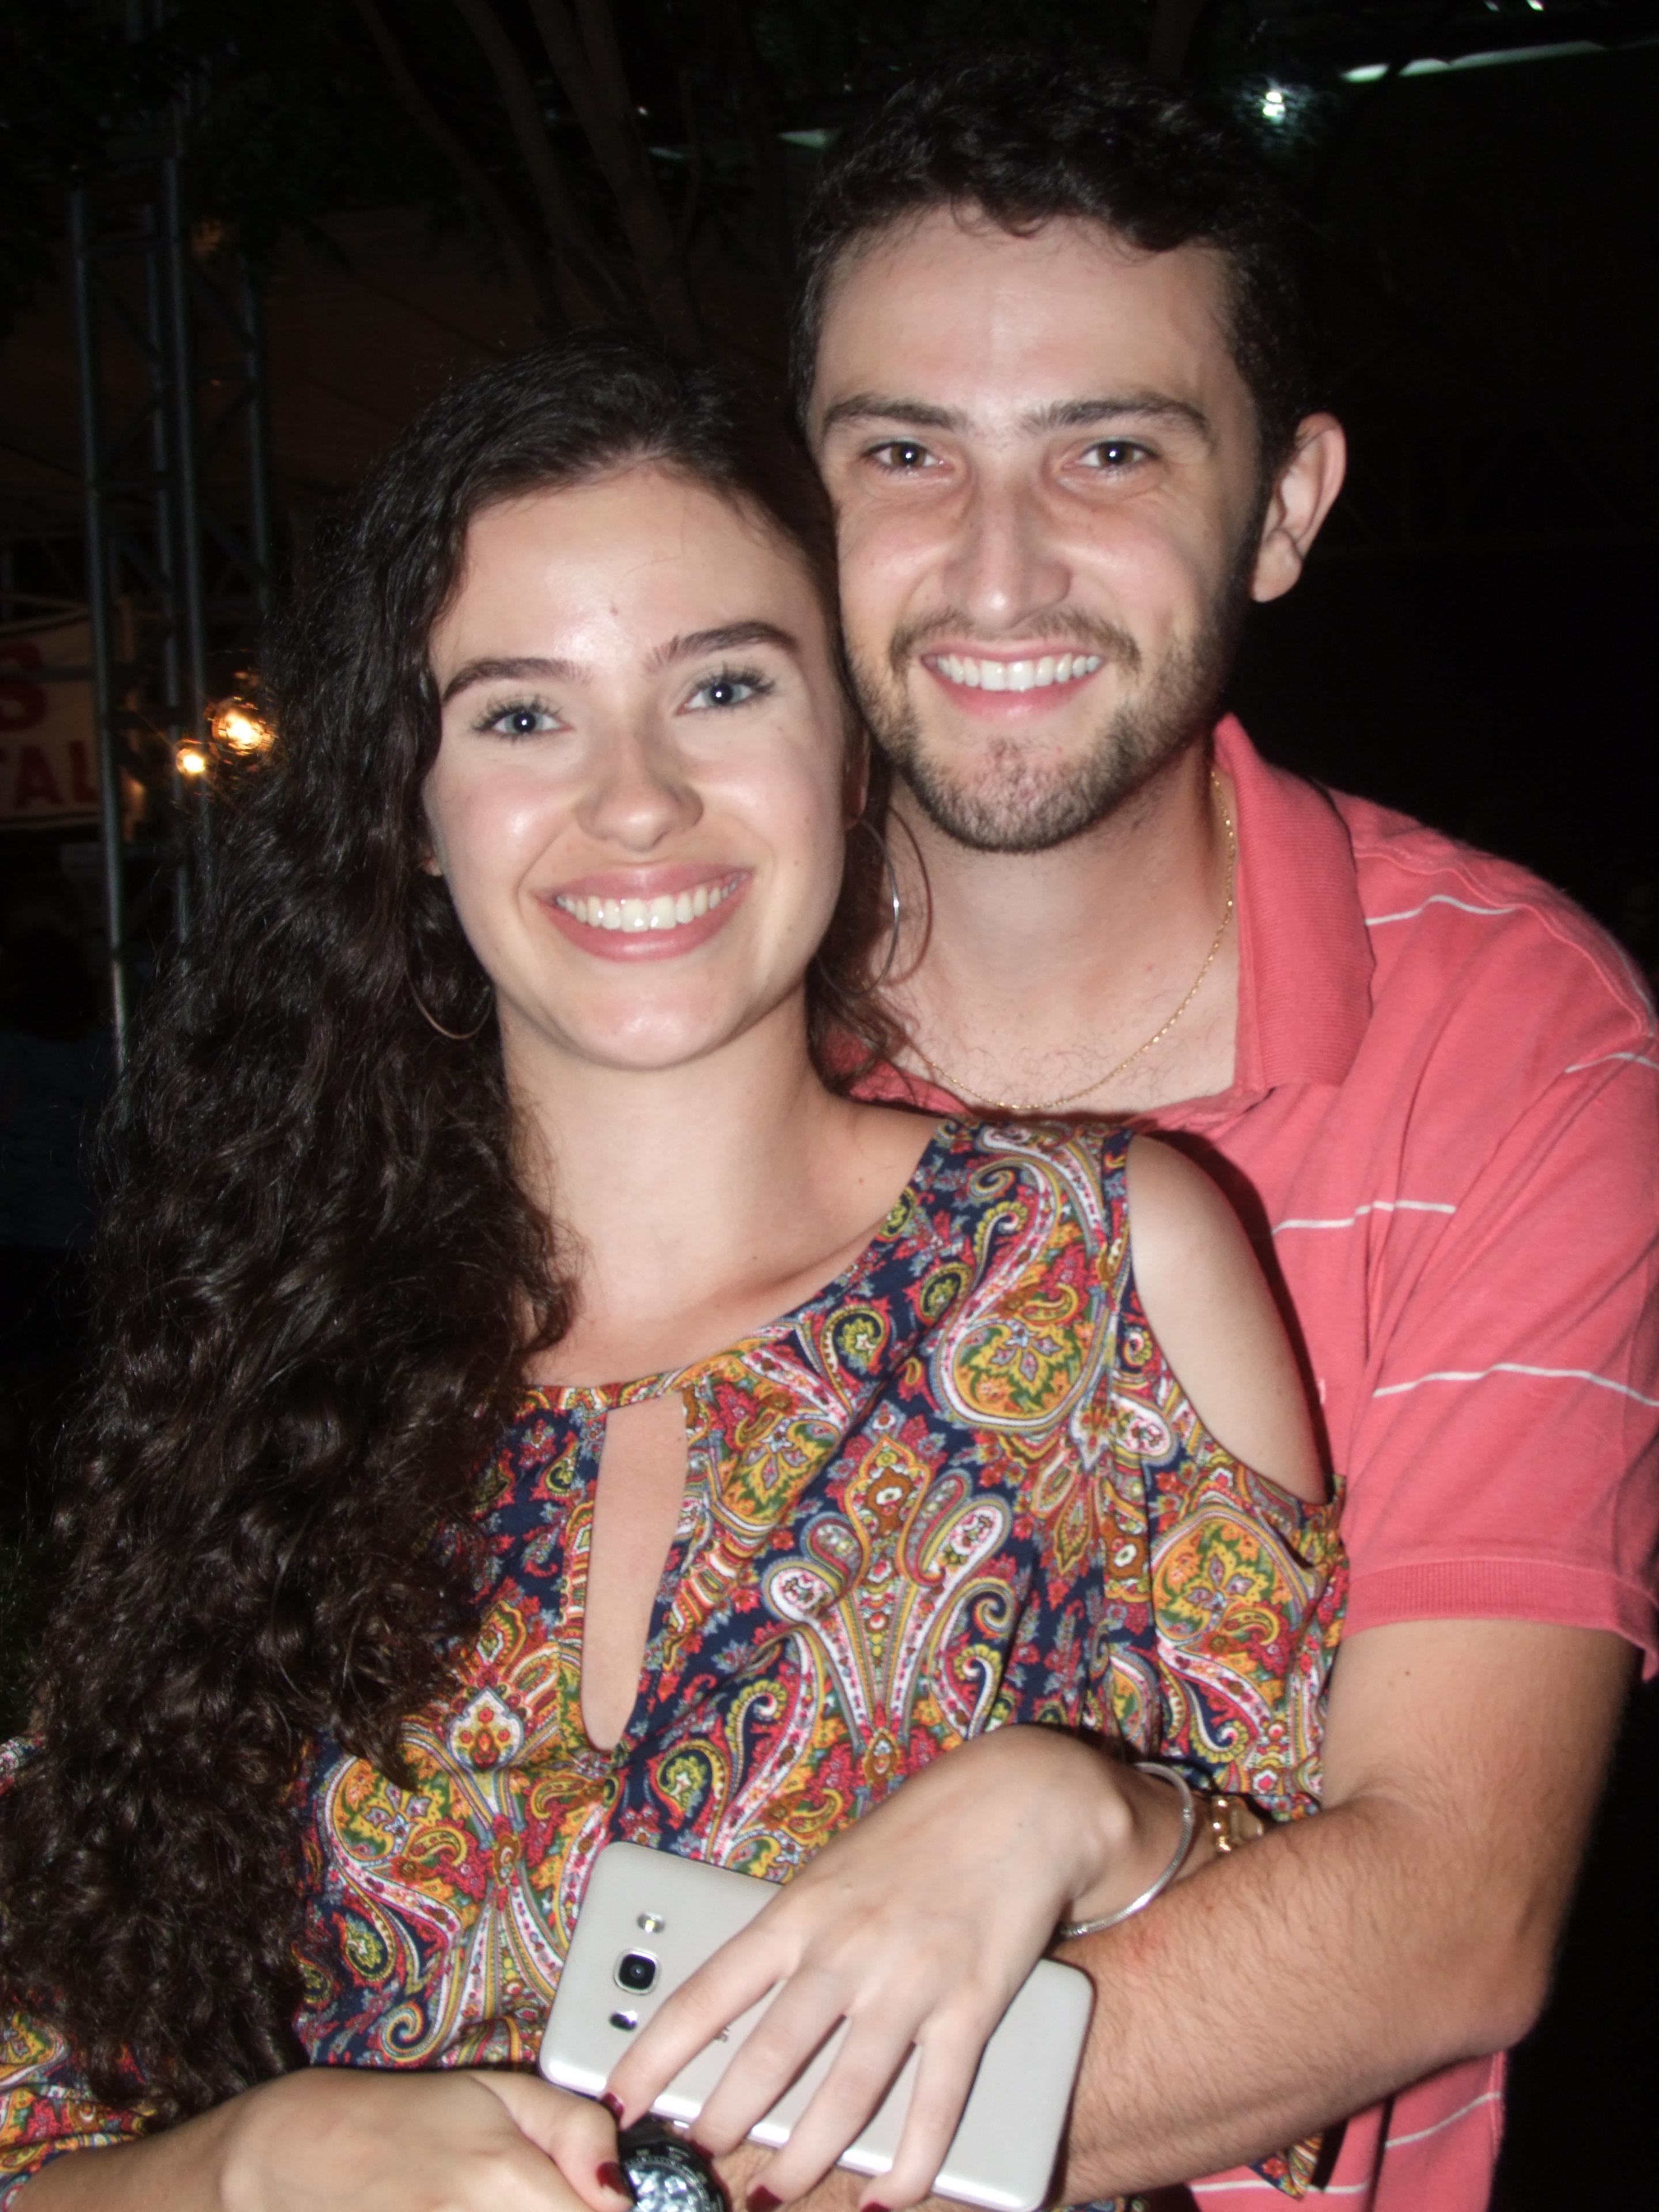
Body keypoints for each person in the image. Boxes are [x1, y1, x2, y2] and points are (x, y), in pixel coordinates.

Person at [0, 336, 1342, 2210]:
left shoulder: (1101, 1263)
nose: (636, 801)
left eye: (722, 685)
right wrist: (252, 2166)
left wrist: (1089, 1812)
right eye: (521, 716)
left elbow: (1318, 2033)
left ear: (849, 750)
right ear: (410, 807)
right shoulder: (263, 1358)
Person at [708, 46, 1652, 2212]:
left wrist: (680, 2170)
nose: (999, 568)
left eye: (1111, 450)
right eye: (906, 452)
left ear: (1287, 505)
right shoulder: (664, 1007)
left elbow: (1450, 1907)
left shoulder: (1516, 1040)